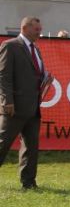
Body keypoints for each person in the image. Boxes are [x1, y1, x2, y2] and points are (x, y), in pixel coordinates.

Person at [0, 16, 53, 190]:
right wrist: (7, 101)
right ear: (25, 28)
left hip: (33, 106)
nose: (40, 32)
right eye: (36, 29)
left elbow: (35, 73)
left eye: (40, 29)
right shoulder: (10, 46)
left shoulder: (36, 49)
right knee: (3, 143)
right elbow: (4, 76)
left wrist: (46, 77)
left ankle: (29, 182)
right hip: (14, 106)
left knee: (31, 146)